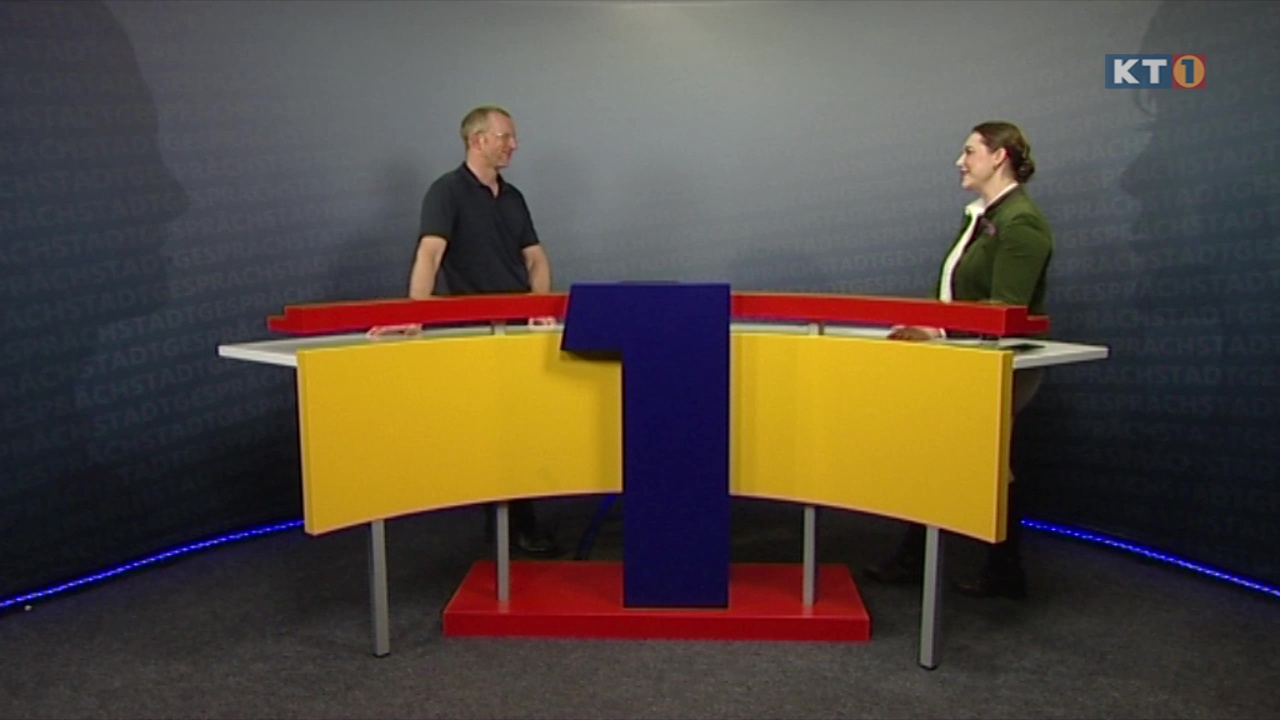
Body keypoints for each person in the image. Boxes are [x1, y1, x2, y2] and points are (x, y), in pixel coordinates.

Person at [864, 121, 1053, 599]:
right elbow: (958, 296)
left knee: (982, 460)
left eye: (969, 152)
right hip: (966, 358)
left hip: (997, 364)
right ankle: (945, 560)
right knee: (947, 453)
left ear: (1000, 156)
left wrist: (938, 330)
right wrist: (933, 327)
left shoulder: (1020, 222)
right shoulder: (982, 217)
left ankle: (999, 569)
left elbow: (1005, 310)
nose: (959, 161)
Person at [368, 105, 561, 557]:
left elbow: (535, 258)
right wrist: (416, 313)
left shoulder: (513, 197)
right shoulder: (446, 192)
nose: (514, 145)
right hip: (475, 333)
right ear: (478, 140)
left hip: (517, 332)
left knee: (522, 426)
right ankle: (510, 527)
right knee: (495, 429)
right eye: (505, 137)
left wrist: (539, 308)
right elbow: (430, 254)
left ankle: (515, 525)